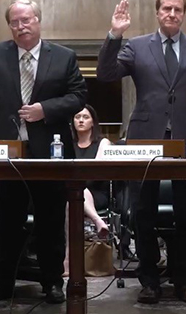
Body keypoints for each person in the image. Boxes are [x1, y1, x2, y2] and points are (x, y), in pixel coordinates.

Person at [0, 0, 87, 304]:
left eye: (26, 20)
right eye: (15, 22)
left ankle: (52, 283)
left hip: (50, 154)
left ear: (39, 21)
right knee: (6, 222)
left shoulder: (64, 56)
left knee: (51, 221)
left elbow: (79, 96)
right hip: (7, 154)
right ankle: (3, 284)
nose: (21, 26)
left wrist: (46, 109)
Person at [97, 0, 186, 304]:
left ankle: (184, 279)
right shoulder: (137, 46)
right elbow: (105, 73)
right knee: (143, 212)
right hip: (144, 138)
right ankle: (149, 280)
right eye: (167, 8)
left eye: (178, 9)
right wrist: (115, 35)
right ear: (157, 12)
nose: (172, 13)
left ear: (183, 14)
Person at [64, 105, 111, 274]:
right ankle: (98, 221)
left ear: (93, 122)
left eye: (85, 117)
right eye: (77, 117)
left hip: (96, 192)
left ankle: (68, 259)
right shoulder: (66, 144)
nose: (81, 120)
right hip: (71, 193)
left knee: (77, 192)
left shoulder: (102, 143)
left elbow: (95, 173)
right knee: (73, 197)